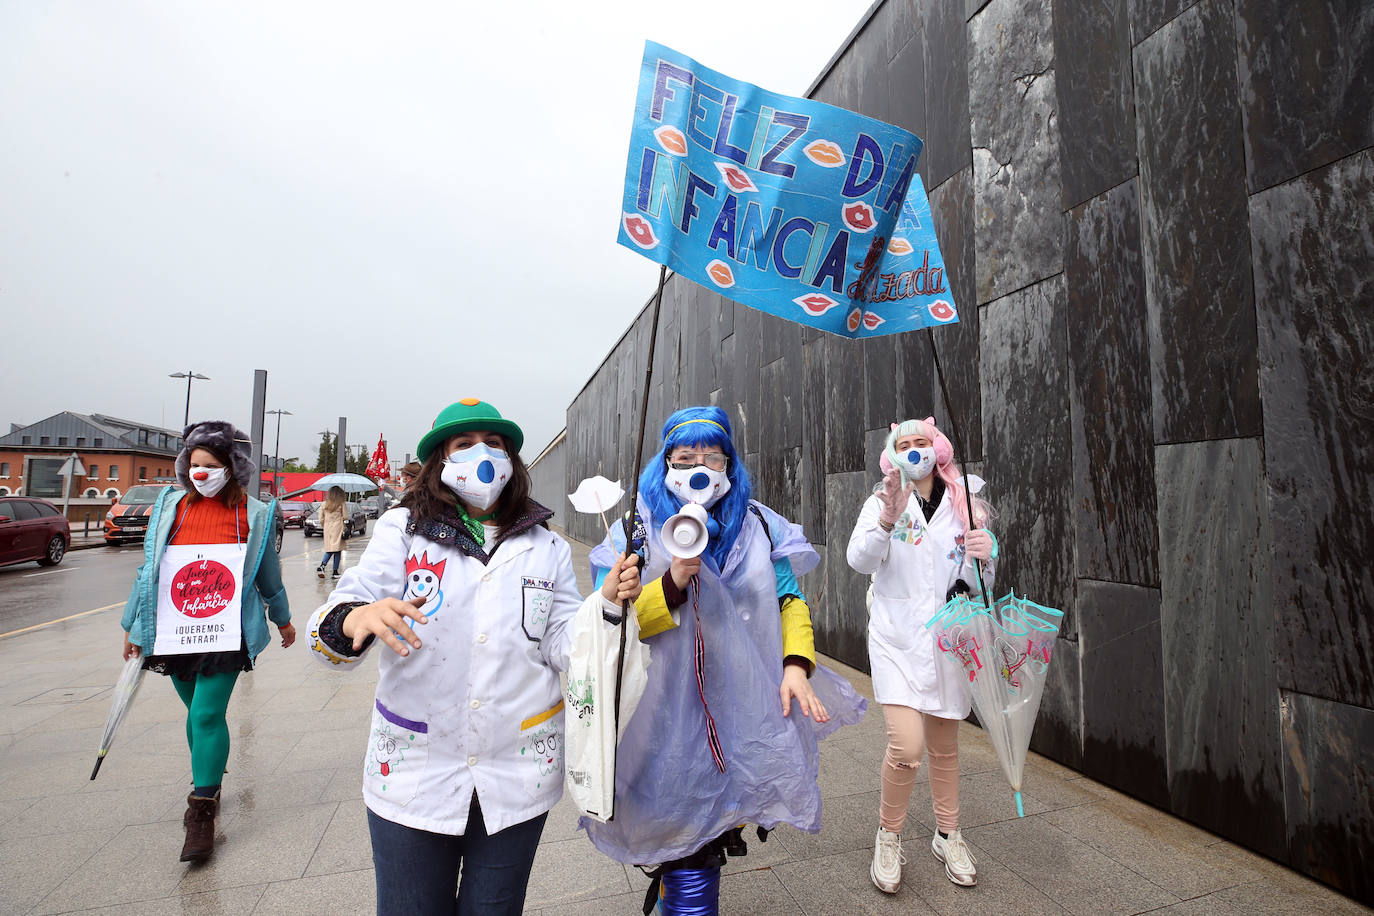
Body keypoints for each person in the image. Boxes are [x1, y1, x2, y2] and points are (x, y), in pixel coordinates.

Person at [304, 398, 641, 915]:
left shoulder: (544, 545)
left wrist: (606, 610)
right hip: (414, 771)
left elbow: (562, 643)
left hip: (517, 772)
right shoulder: (402, 529)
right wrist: (357, 617)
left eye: (496, 444)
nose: (482, 454)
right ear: (441, 459)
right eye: (464, 444)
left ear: (513, 463)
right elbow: (346, 603)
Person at [584, 405, 867, 915]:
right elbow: (613, 628)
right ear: (664, 462)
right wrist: (668, 583)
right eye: (685, 455)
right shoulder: (635, 533)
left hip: (739, 709)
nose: (698, 468)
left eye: (711, 457)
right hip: (662, 716)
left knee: (713, 832)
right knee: (682, 842)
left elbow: (788, 601)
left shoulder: (757, 524)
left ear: (729, 467)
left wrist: (795, 665)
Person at [119, 420, 295, 863]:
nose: (201, 473)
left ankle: (202, 809)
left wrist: (284, 619)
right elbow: (149, 571)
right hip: (174, 628)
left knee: (206, 712)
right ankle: (209, 775)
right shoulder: (169, 506)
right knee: (196, 714)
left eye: (211, 465)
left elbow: (268, 575)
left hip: (225, 630)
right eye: (194, 464)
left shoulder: (254, 513)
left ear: (232, 468)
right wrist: (133, 626)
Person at [846, 417, 996, 891]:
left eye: (921, 442)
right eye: (903, 444)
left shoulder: (964, 502)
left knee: (945, 748)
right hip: (896, 640)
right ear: (892, 453)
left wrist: (985, 555)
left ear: (939, 448)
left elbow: (978, 586)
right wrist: (888, 518)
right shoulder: (883, 500)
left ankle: (948, 833)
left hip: (948, 640)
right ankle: (888, 835)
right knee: (907, 747)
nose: (914, 451)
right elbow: (859, 561)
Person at [316, 485, 347, 579]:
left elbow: (320, 518)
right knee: (337, 550)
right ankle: (334, 572)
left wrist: (324, 525)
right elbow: (345, 516)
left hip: (327, 527)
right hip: (338, 527)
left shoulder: (324, 504)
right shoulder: (341, 503)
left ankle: (322, 566)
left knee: (330, 548)